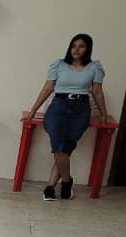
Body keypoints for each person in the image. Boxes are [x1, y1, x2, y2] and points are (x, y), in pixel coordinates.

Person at [22, 34, 112, 201]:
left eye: (81, 46)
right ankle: (66, 181)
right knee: (58, 146)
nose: (76, 49)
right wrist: (33, 110)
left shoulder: (95, 67)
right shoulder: (58, 64)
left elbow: (97, 92)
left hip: (80, 108)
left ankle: (50, 187)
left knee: (66, 147)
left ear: (88, 49)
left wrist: (103, 113)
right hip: (58, 106)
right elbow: (47, 88)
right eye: (74, 45)